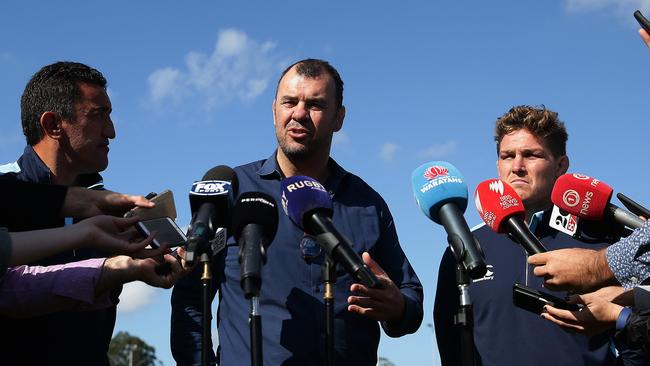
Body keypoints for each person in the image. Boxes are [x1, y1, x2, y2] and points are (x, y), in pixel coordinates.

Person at [171, 59, 423, 365]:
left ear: (338, 118)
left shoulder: (367, 203)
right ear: (274, 109)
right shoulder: (232, 190)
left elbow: (409, 295)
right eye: (290, 102)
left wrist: (399, 307)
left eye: (315, 104)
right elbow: (190, 301)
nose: (299, 114)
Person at [0, 61, 186, 365]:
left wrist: (142, 267)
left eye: (110, 115)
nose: (111, 131)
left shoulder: (111, 208)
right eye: (98, 115)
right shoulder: (5, 190)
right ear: (53, 125)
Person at [433, 105, 645, 365]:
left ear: (560, 165)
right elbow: (450, 343)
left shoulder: (609, 244)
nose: (517, 167)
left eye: (531, 155)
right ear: (498, 164)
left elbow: (637, 334)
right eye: (507, 156)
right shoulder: (466, 246)